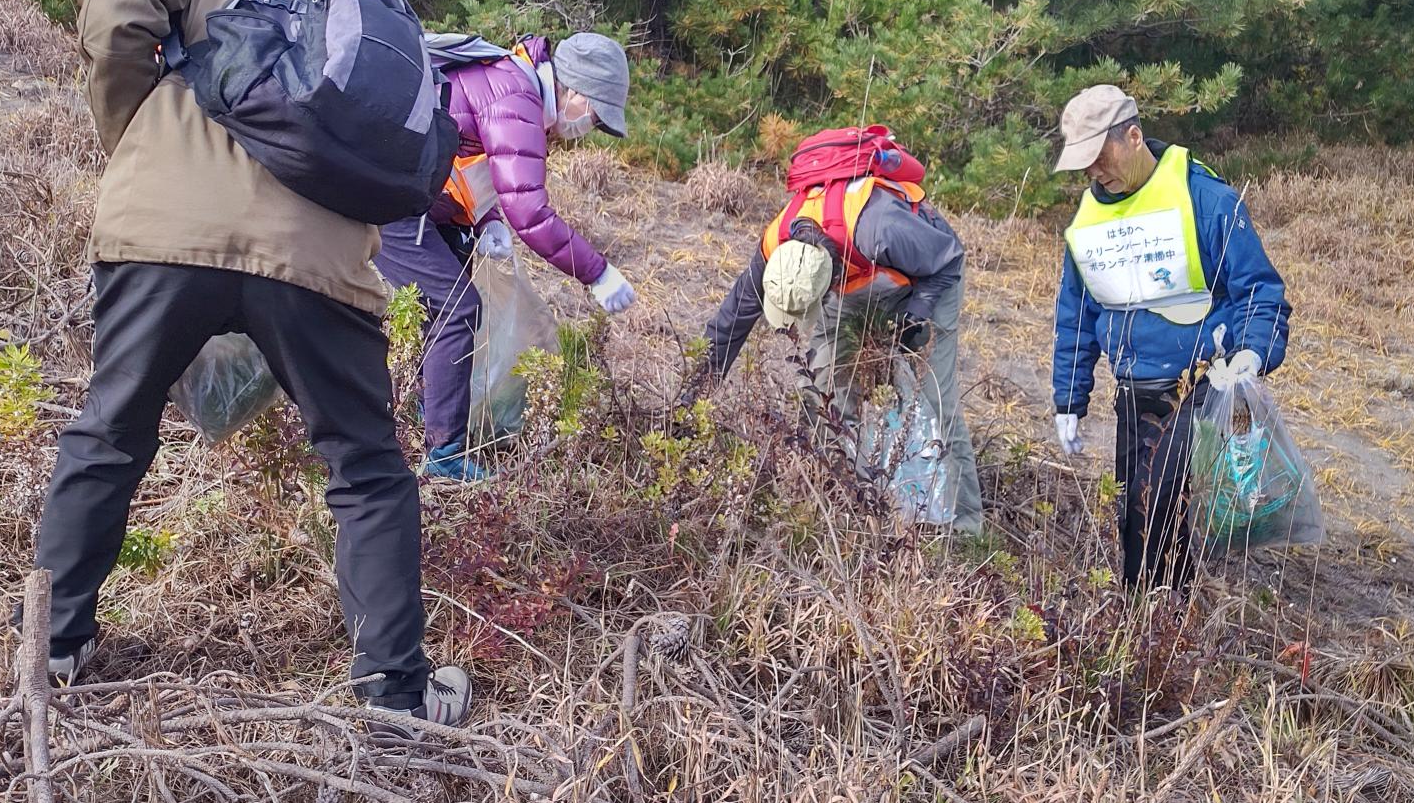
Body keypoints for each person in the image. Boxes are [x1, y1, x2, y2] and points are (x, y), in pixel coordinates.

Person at [32, 0, 470, 730]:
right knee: (368, 469)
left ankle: (48, 652)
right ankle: (394, 694)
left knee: (111, 429)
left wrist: (136, 136)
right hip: (322, 258)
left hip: (162, 229)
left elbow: (118, 19)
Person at [1049, 85, 1290, 591]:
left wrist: (1250, 353)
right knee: (1134, 512)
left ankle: (1157, 617)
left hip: (1200, 382)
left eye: (1099, 158)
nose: (1094, 173)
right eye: (1084, 165)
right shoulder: (1089, 221)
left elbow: (1260, 290)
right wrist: (1068, 398)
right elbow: (1077, 310)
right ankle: (1152, 618)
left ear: (1133, 137)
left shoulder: (1208, 200)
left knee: (1156, 496)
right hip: (1133, 387)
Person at [375, 32, 638, 482]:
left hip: (411, 196)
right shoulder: (517, 96)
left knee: (450, 300)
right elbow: (530, 211)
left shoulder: (512, 84)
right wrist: (597, 273)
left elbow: (467, 157)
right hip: (389, 198)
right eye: (594, 115)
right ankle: (444, 456)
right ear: (574, 91)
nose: (588, 128)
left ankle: (424, 412)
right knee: (455, 310)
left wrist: (485, 220)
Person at [697, 125, 982, 534]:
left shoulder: (881, 227)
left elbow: (948, 260)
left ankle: (963, 528)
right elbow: (729, 325)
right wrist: (693, 399)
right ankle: (835, 506)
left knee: (939, 405)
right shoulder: (777, 242)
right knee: (823, 394)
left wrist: (916, 317)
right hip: (850, 284)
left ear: (827, 280)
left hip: (924, 278)